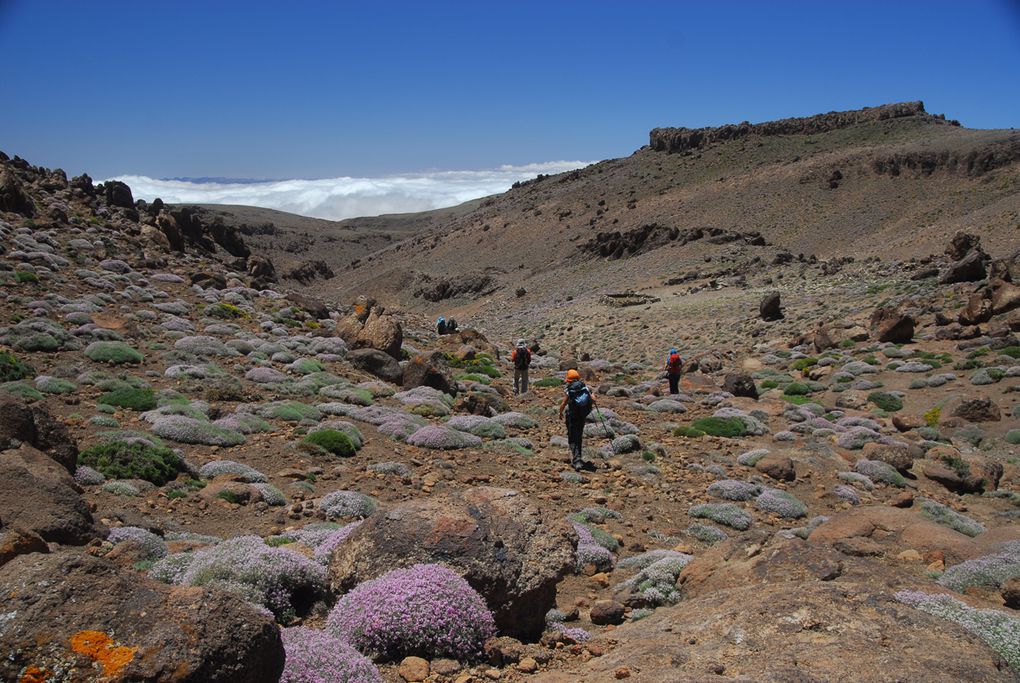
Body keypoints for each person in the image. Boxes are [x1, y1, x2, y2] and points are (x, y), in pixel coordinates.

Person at [559, 369, 595, 471]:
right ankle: (578, 458)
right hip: (582, 416)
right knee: (578, 437)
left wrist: (560, 412)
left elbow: (563, 403)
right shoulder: (585, 387)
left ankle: (576, 460)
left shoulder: (569, 389)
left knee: (572, 437)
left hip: (572, 416)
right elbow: (594, 399)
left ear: (569, 379)